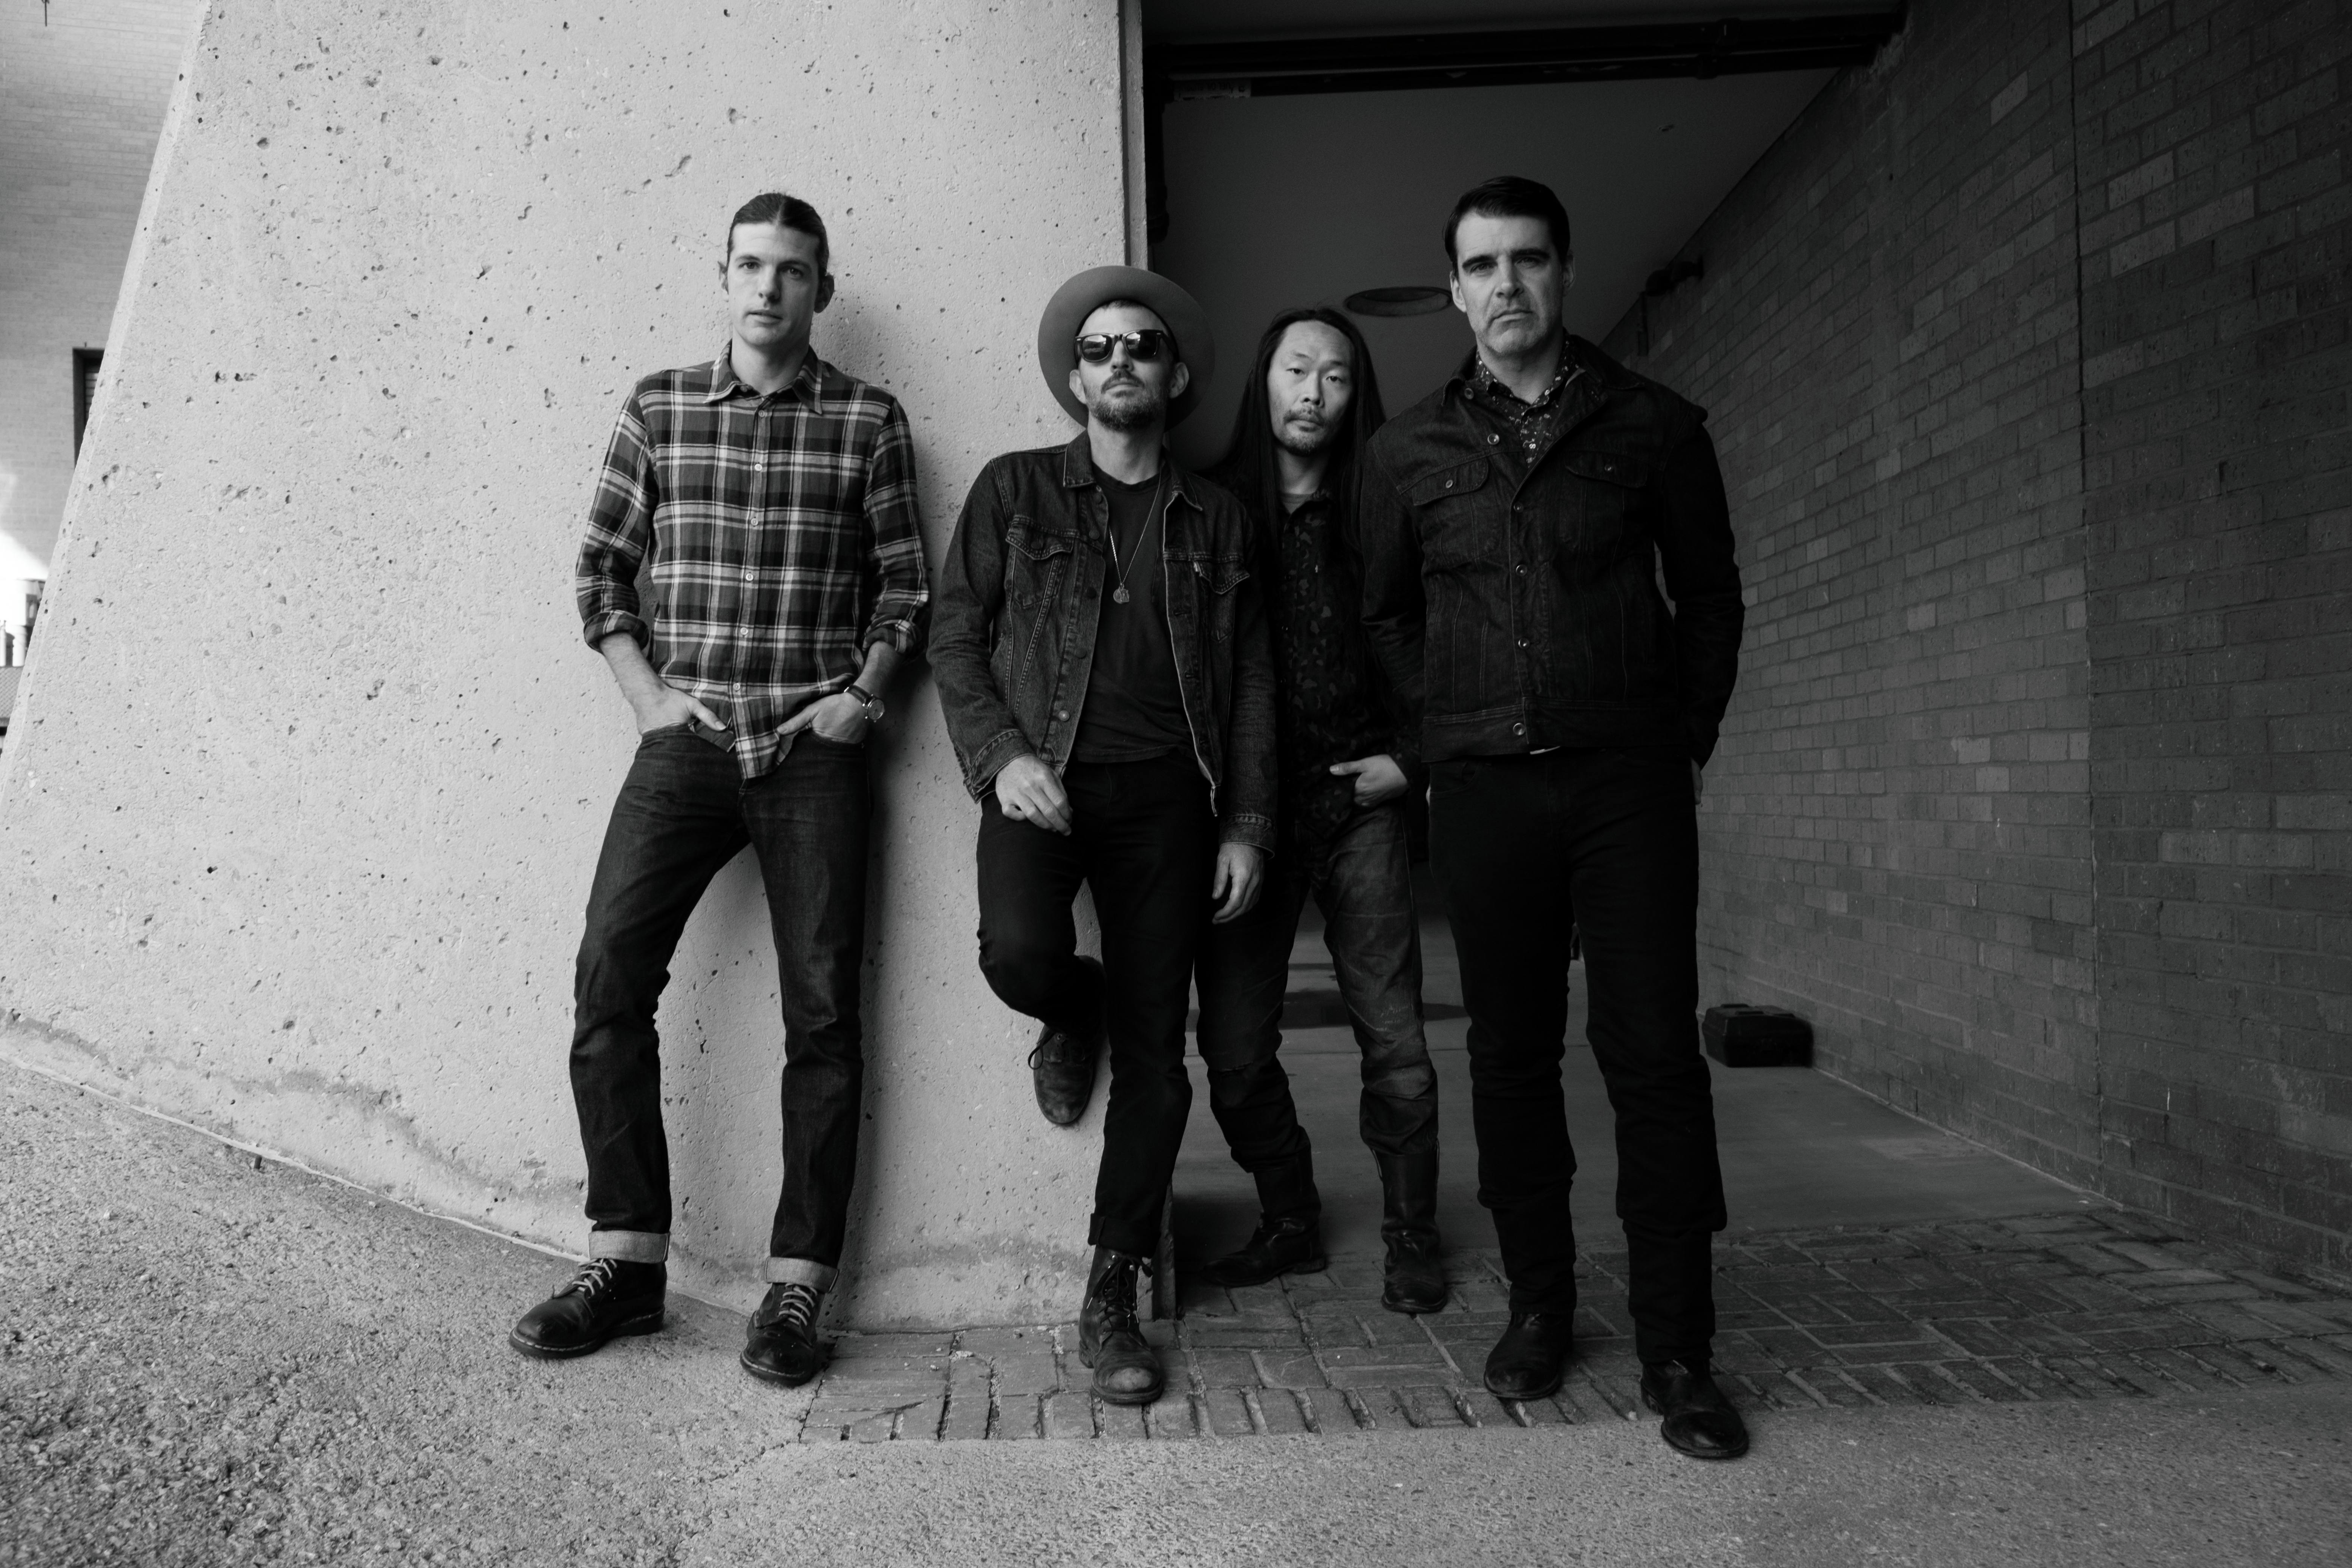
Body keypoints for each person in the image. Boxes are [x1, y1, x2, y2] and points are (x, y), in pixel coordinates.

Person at [508, 193, 929, 1389]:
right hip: (687, 745)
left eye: (792, 270)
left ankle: (798, 1289)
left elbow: (907, 583)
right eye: (750, 265)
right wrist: (647, 696)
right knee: (608, 981)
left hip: (813, 751)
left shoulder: (868, 420)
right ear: (725, 275)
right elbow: (601, 569)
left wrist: (864, 698)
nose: (768, 287)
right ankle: (627, 1263)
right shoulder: (660, 407)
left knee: (825, 1020)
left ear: (821, 290)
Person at [1358, 176, 1750, 1459]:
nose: (1506, 284)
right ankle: (1541, 1307)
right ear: (1454, 288)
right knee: (1511, 1056)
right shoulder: (1407, 451)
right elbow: (1387, 616)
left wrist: (1681, 739)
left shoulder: (1655, 425)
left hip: (1626, 783)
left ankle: (1679, 1348)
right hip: (1486, 791)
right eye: (1482, 265)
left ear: (1565, 272)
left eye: (1528, 259)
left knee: (1654, 1057)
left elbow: (1711, 597)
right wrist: (1442, 737)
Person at [929, 266, 1276, 1406]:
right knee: (1018, 956)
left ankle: (1114, 1289)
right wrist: (1004, 757)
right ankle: (1071, 1009)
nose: (1120, 360)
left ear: (1174, 378)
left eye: (1142, 346)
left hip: (1173, 802)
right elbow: (954, 636)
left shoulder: (1220, 517)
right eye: (1098, 348)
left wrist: (1246, 824)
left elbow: (1253, 684)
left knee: (1158, 1065)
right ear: (1076, 380)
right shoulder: (1016, 490)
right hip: (1044, 782)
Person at [1193, 308, 1446, 1315]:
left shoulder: (1388, 511)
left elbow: (1444, 640)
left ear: (1356, 394)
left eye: (1336, 376)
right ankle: (1290, 1215)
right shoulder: (1211, 507)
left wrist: (1411, 762)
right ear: (1264, 380)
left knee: (1395, 1036)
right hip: (1247, 819)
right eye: (1297, 370)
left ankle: (1412, 1233)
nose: (1313, 393)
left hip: (1360, 804)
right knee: (1235, 1048)